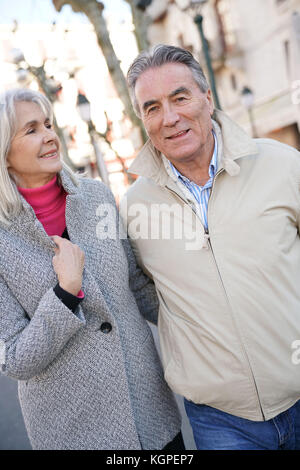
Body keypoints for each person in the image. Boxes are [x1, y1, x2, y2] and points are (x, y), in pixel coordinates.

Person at [120, 44, 300, 450]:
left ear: (207, 98)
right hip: (220, 419)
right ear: (143, 120)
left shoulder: (283, 165)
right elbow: (147, 291)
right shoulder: (134, 206)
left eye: (180, 97)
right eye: (152, 107)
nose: (170, 117)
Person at [0, 88, 183, 450]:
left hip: (150, 412)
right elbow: (15, 358)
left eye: (49, 124)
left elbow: (137, 287)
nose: (50, 136)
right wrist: (65, 293)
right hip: (74, 430)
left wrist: (205, 321)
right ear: (5, 153)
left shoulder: (97, 197)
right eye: (32, 129)